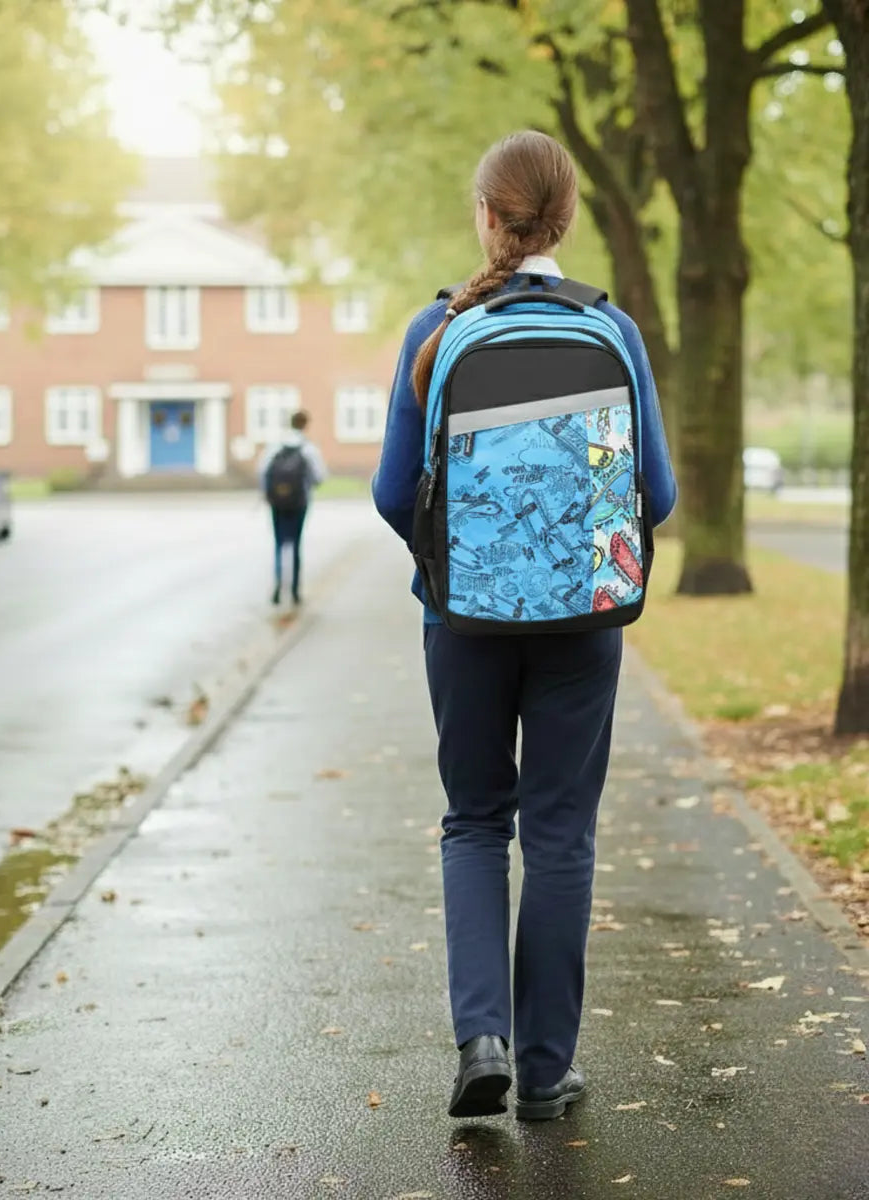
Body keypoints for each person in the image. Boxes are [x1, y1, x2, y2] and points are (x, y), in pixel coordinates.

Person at [372, 131, 677, 1121]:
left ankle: (482, 1042)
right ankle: (546, 1071)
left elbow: (391, 493)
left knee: (474, 820)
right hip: (585, 620)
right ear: (566, 220)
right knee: (559, 832)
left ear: (486, 216)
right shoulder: (613, 329)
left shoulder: (436, 330)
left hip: (463, 618)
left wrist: (462, 562)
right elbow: (658, 494)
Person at [259, 410, 327, 606]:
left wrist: (268, 493)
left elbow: (262, 470)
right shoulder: (308, 448)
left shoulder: (276, 445)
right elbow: (319, 476)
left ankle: (279, 586)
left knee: (279, 543)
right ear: (305, 425)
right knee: (296, 543)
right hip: (299, 502)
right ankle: (295, 590)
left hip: (277, 502)